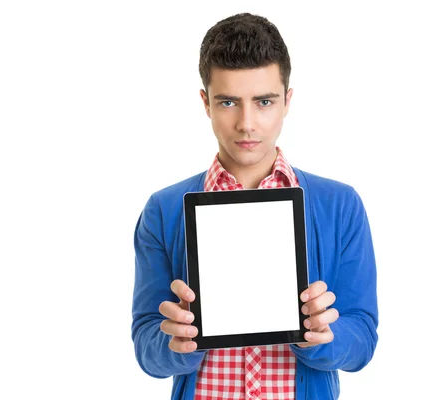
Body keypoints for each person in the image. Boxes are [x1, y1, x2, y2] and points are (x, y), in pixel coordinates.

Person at [131, 12, 379, 400]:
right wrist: (174, 344)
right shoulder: (163, 210)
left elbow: (363, 337)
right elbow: (146, 343)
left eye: (264, 101)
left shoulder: (340, 205)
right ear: (206, 103)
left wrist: (323, 337)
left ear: (287, 101)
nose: (247, 123)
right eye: (228, 101)